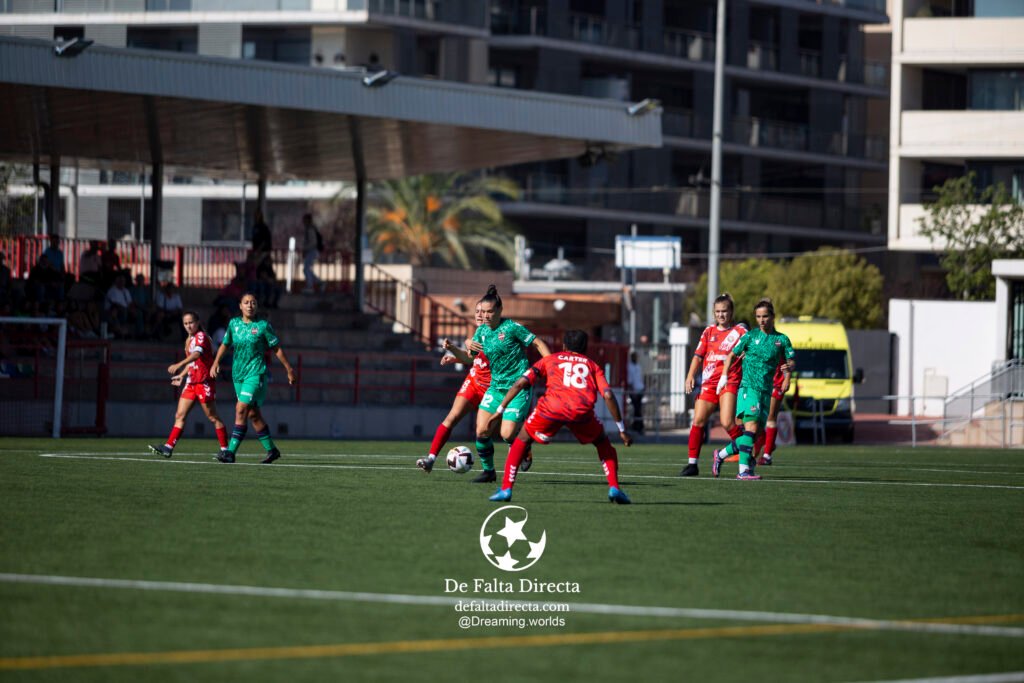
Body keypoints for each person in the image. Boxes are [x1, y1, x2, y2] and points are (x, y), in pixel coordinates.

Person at [486, 329, 633, 504]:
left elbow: (520, 383)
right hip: (581, 410)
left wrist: (500, 410)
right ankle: (614, 487)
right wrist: (621, 429)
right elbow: (608, 395)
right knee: (602, 443)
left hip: (551, 408)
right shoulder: (592, 366)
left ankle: (506, 489)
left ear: (564, 346)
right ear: (585, 348)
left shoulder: (550, 360)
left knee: (522, 440)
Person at [466, 284, 550, 483]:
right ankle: (489, 472)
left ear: (500, 310)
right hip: (496, 388)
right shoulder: (481, 331)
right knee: (482, 431)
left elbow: (537, 343)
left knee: (506, 434)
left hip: (518, 387)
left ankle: (525, 445)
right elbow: (472, 355)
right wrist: (468, 344)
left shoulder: (511, 327)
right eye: (482, 312)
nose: (485, 316)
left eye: (489, 312)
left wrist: (552, 367)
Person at [712, 298, 795, 480]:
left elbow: (790, 361)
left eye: (765, 316)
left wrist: (788, 377)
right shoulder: (749, 337)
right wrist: (724, 377)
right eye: (758, 317)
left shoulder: (781, 339)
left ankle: (720, 455)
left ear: (772, 316)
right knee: (751, 427)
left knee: (754, 434)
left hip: (766, 391)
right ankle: (744, 471)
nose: (761, 320)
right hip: (749, 388)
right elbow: (731, 355)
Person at [210, 292, 296, 464]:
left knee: (241, 408)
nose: (250, 305)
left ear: (257, 306)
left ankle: (230, 452)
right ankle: (272, 450)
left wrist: (289, 369)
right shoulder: (233, 324)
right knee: (253, 415)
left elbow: (276, 348)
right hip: (238, 374)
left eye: (253, 302)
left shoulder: (263, 326)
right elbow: (225, 344)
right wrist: (216, 362)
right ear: (240, 306)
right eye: (246, 302)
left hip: (256, 374)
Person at [416, 303, 491, 472]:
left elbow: (487, 359)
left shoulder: (499, 335)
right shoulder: (478, 332)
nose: (480, 315)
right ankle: (430, 459)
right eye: (477, 311)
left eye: (484, 311)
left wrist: (466, 343)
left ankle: (522, 452)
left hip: (493, 388)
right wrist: (453, 352)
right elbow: (471, 358)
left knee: (500, 430)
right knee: (451, 418)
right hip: (474, 382)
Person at [680, 293, 747, 477]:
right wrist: (690, 375)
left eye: (724, 311)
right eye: (717, 312)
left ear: (731, 312)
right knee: (698, 420)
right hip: (709, 382)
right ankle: (692, 464)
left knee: (727, 422)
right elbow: (698, 356)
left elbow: (751, 352)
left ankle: (745, 451)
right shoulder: (708, 332)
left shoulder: (740, 333)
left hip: (729, 381)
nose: (721, 315)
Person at [148, 311, 230, 459]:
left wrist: (178, 364)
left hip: (204, 382)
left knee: (213, 417)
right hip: (191, 383)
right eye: (185, 323)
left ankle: (225, 450)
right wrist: (181, 375)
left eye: (191, 322)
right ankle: (168, 447)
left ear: (198, 322)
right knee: (179, 415)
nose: (188, 326)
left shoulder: (201, 336)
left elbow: (197, 355)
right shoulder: (189, 339)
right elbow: (193, 362)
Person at [754, 362, 788, 466]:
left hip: (776, 383)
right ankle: (768, 443)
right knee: (753, 418)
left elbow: (790, 361)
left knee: (771, 417)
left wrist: (787, 378)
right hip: (759, 382)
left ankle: (767, 456)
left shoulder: (782, 349)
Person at [102, 274, 133, 338]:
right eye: (120, 281)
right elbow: (114, 304)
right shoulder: (112, 290)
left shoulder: (126, 291)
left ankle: (126, 332)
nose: (122, 283)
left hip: (124, 310)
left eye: (123, 281)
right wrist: (124, 308)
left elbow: (130, 302)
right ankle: (121, 332)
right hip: (112, 310)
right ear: (116, 281)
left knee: (135, 313)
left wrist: (131, 309)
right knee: (117, 311)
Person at [301, 213, 323, 294]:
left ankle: (310, 287)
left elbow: (313, 242)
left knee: (306, 269)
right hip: (312, 251)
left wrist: (305, 249)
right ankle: (319, 282)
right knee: (306, 269)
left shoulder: (310, 229)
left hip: (312, 251)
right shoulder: (310, 229)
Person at [626, 351, 645, 433]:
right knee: (637, 408)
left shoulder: (638, 366)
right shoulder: (630, 367)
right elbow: (630, 381)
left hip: (640, 389)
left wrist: (643, 387)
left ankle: (637, 425)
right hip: (634, 390)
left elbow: (640, 378)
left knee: (638, 408)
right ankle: (639, 425)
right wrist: (632, 391)